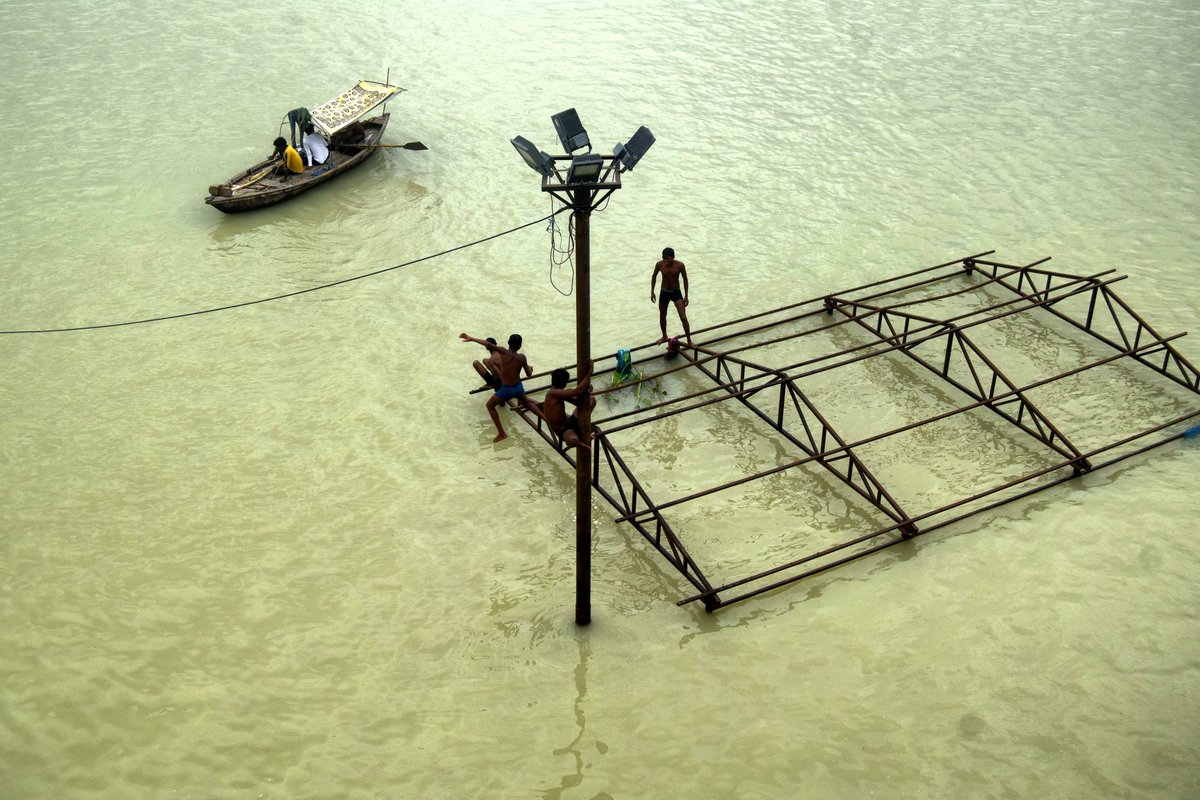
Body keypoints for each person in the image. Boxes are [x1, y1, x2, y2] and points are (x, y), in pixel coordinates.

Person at [460, 332, 539, 442]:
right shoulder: (521, 357)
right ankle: (545, 418)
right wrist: (530, 368)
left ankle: (502, 433)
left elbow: (501, 375)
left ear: (508, 343)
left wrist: (472, 338)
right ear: (520, 345)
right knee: (527, 403)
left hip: (505, 387)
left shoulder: (501, 353)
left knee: (490, 405)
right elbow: (528, 373)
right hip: (518, 386)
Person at [543, 364, 595, 451]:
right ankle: (581, 441)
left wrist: (587, 391)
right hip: (562, 430)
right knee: (573, 440)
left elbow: (579, 402)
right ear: (564, 383)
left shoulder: (559, 392)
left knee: (592, 400)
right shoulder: (553, 393)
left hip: (569, 422)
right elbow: (577, 391)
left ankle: (582, 430)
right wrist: (589, 373)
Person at [651, 246, 692, 345]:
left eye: (668, 259)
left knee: (683, 317)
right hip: (664, 292)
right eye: (664, 259)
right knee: (662, 315)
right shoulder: (659, 264)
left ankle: (689, 340)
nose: (666, 261)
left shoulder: (680, 265)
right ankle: (664, 336)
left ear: (673, 257)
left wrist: (686, 296)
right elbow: (654, 276)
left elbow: (685, 279)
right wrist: (652, 292)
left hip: (676, 292)